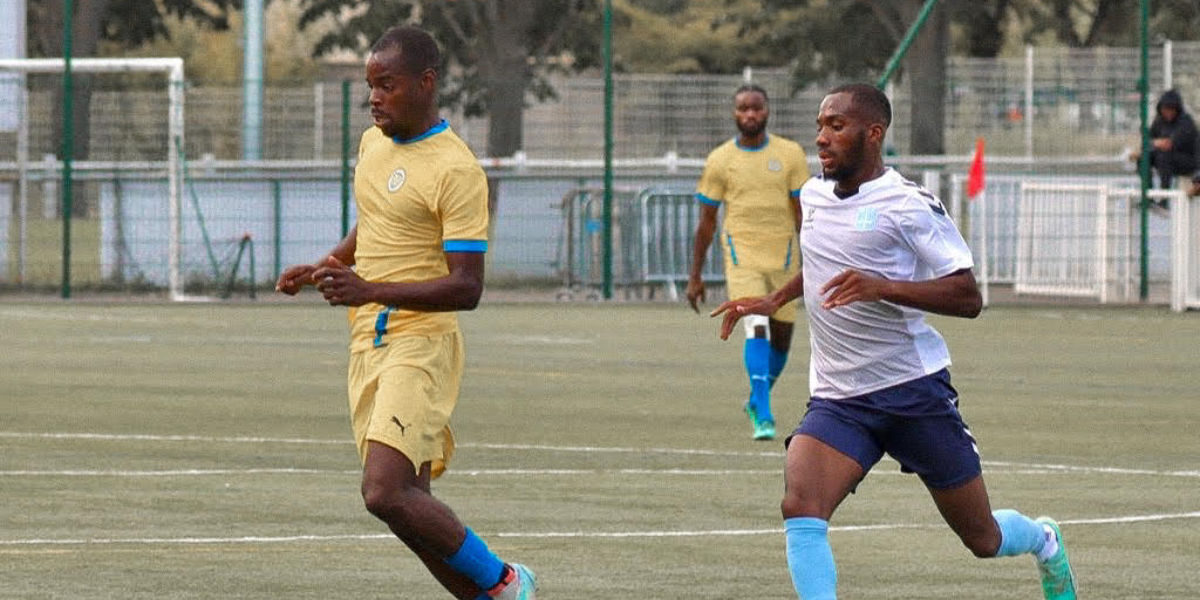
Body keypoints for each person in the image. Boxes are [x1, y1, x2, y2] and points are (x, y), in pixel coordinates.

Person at [711, 83, 1077, 600]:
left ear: (873, 133)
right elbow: (821, 267)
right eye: (820, 126)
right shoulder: (814, 195)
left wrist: (884, 286)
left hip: (912, 392)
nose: (822, 138)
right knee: (801, 505)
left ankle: (1044, 541)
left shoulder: (907, 203)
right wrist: (775, 301)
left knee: (982, 538)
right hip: (839, 398)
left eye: (836, 126)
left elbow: (968, 295)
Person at [275, 26, 535, 600]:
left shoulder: (457, 170)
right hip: (367, 340)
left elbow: (466, 287)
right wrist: (323, 264)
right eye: (370, 85)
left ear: (426, 83)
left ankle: (506, 581)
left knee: (383, 491)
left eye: (386, 85)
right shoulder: (374, 144)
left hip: (421, 343)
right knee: (407, 507)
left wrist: (368, 288)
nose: (374, 98)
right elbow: (375, 221)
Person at [687, 83, 811, 441]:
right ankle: (764, 413)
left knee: (782, 339)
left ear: (767, 111)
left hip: (785, 256)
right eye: (743, 108)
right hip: (742, 257)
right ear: (734, 113)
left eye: (756, 108)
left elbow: (803, 214)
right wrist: (695, 275)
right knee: (756, 324)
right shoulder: (720, 160)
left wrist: (818, 257)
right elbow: (707, 223)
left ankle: (757, 397)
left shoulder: (790, 155)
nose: (750, 115)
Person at [1144, 89, 1198, 190]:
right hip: (1166, 160)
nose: (1168, 112)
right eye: (1165, 108)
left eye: (1171, 109)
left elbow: (1168, 145)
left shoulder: (1185, 122)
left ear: (1177, 109)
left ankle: (1164, 198)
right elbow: (1147, 142)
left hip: (1188, 162)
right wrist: (1154, 143)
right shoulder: (1159, 121)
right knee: (1144, 158)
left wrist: (1154, 143)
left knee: (1164, 155)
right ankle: (1148, 193)